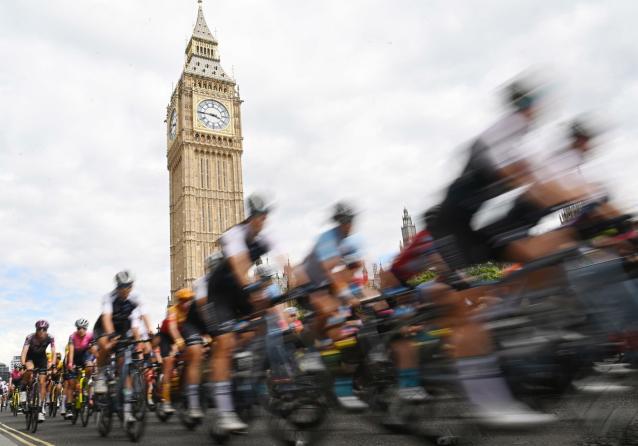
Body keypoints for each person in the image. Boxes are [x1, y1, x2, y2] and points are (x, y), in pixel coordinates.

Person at [205, 193, 280, 433]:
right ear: (250, 218)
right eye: (258, 216)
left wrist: (298, 279)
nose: (262, 221)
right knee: (225, 344)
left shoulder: (264, 238)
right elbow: (239, 266)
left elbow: (283, 259)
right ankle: (225, 412)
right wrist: (251, 289)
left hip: (240, 290)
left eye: (265, 216)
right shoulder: (234, 234)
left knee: (264, 323)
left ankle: (250, 373)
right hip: (219, 293)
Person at [93, 270, 153, 423]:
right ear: (117, 287)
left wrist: (150, 334)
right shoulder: (108, 297)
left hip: (123, 328)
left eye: (128, 287)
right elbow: (106, 318)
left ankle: (126, 411)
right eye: (122, 287)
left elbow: (144, 315)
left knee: (124, 366)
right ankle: (100, 376)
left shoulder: (136, 297)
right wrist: (111, 334)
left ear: (132, 286)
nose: (125, 290)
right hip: (105, 327)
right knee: (106, 345)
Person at [159, 288, 206, 419]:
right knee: (168, 362)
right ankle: (166, 401)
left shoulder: (193, 312)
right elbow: (173, 328)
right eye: (184, 301)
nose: (187, 303)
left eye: (190, 300)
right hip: (167, 337)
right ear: (179, 301)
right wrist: (178, 343)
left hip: (184, 335)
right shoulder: (173, 310)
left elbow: (200, 328)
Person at [21, 320, 55, 422]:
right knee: (30, 370)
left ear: (46, 330)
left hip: (41, 359)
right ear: (36, 330)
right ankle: (23, 394)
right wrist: (24, 364)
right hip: (30, 357)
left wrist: (52, 364)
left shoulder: (50, 337)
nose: (41, 331)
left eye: (44, 329)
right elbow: (24, 352)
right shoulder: (30, 337)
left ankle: (40, 409)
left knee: (42, 382)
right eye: (39, 329)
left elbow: (53, 351)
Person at [63, 319, 94, 418]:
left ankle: (88, 385)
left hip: (85, 355)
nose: (81, 330)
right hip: (74, 356)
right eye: (79, 328)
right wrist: (71, 363)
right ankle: (68, 408)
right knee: (71, 384)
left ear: (86, 329)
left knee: (89, 366)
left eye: (83, 328)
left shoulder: (90, 336)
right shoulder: (72, 336)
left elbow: (94, 350)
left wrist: (94, 362)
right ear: (76, 329)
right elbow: (71, 351)